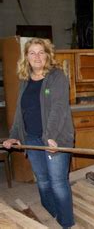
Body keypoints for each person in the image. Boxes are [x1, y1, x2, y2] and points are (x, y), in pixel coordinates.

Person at [2, 38, 75, 228]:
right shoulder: (24, 81)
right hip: (32, 138)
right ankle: (52, 218)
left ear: (48, 55)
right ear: (26, 57)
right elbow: (20, 111)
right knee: (42, 182)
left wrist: (50, 136)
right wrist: (14, 134)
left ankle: (66, 223)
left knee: (58, 183)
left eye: (41, 52)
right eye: (32, 52)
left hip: (55, 138)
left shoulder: (57, 77)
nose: (37, 56)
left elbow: (58, 109)